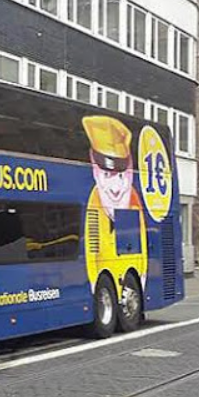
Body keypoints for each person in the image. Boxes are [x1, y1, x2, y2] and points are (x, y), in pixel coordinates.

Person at [82, 116, 148, 292]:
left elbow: (142, 254)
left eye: (121, 175)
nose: (116, 188)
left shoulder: (134, 203)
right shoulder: (92, 205)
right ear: (95, 171)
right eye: (106, 175)